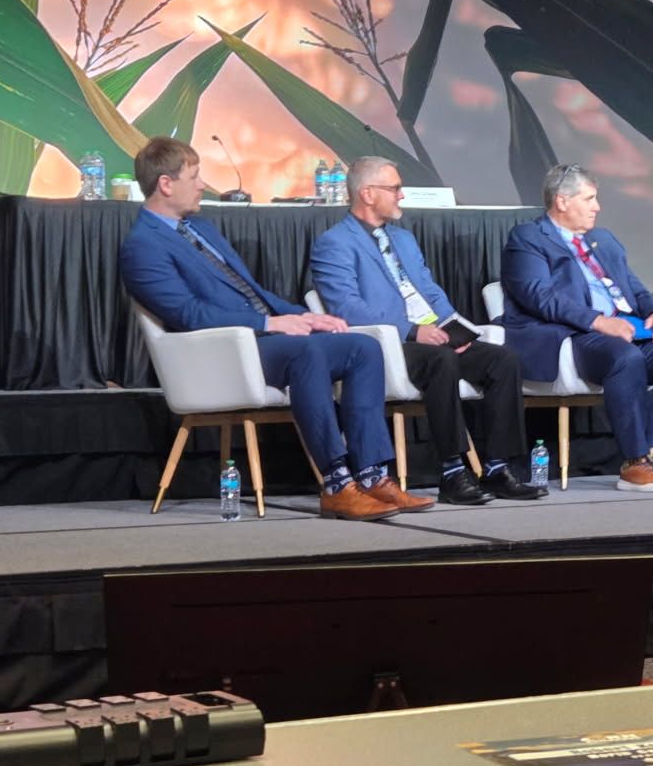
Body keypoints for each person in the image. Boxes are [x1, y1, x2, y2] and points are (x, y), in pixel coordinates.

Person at [120, 137, 429, 519]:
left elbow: (251, 290)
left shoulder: (199, 227)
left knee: (362, 347)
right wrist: (269, 323)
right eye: (195, 176)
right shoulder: (142, 246)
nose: (202, 185)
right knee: (307, 351)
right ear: (166, 184)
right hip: (221, 349)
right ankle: (335, 483)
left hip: (259, 338)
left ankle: (372, 475)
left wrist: (305, 315)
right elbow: (189, 315)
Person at [310, 157, 545, 504]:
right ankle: (452, 472)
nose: (401, 195)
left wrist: (454, 329)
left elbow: (429, 291)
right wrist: (411, 330)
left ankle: (497, 467)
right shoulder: (334, 243)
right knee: (441, 362)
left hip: (431, 334)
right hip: (385, 343)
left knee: (503, 361)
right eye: (394, 188)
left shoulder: (403, 239)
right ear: (368, 193)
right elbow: (347, 308)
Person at [498, 163, 653, 492]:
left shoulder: (602, 239)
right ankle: (635, 462)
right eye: (589, 199)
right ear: (562, 201)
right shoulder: (528, 237)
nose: (598, 206)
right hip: (574, 334)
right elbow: (537, 295)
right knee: (625, 357)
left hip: (626, 328)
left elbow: (634, 287)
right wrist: (597, 321)